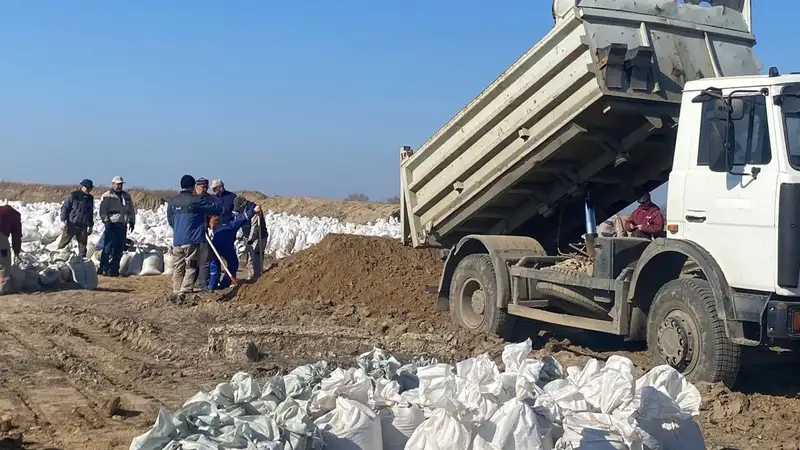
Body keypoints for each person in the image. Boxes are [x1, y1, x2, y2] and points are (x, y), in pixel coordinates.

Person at [167, 175, 223, 296]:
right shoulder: (196, 200)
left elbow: (170, 220)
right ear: (193, 186)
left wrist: (178, 229)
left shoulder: (173, 201)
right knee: (191, 265)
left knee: (178, 266)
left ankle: (176, 290)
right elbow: (216, 209)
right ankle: (185, 291)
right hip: (191, 239)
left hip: (177, 240)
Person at [208, 197, 258, 290]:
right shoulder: (230, 226)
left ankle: (212, 285)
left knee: (214, 265)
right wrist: (254, 211)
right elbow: (242, 218)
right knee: (233, 264)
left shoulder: (215, 231)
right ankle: (224, 284)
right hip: (227, 248)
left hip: (214, 247)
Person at [98, 176, 135, 276]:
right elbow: (103, 211)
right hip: (111, 224)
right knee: (108, 248)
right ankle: (103, 268)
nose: (119, 186)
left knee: (119, 248)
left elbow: (131, 209)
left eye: (121, 184)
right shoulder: (107, 195)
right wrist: (106, 222)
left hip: (122, 225)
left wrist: (132, 221)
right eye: (118, 184)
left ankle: (114, 269)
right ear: (113, 184)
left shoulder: (126, 196)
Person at [57, 179, 95, 258]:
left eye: (90, 188)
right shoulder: (74, 195)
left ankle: (81, 264)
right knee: (63, 243)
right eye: (87, 187)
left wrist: (90, 225)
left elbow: (90, 213)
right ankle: (56, 259)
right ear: (82, 186)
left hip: (83, 226)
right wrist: (63, 220)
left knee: (83, 248)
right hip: (72, 224)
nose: (88, 189)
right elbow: (65, 207)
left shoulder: (90, 198)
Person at [192, 177, 214, 290]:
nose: (205, 189)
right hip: (192, 233)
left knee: (205, 258)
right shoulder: (190, 198)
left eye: (206, 187)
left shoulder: (209, 198)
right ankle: (190, 282)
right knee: (192, 259)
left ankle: (202, 283)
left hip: (204, 231)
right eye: (202, 187)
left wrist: (212, 222)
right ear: (196, 186)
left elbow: (213, 213)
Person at [238, 198, 268, 279]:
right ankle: (251, 277)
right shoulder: (242, 210)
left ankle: (258, 277)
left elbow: (254, 228)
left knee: (256, 257)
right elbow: (242, 223)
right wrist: (240, 236)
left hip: (259, 237)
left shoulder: (254, 210)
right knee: (250, 258)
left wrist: (250, 240)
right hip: (249, 237)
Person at [0, 205, 22, 294]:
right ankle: (3, 287)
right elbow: (16, 235)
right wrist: (16, 251)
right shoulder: (15, 215)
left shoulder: (3, 211)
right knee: (3, 260)